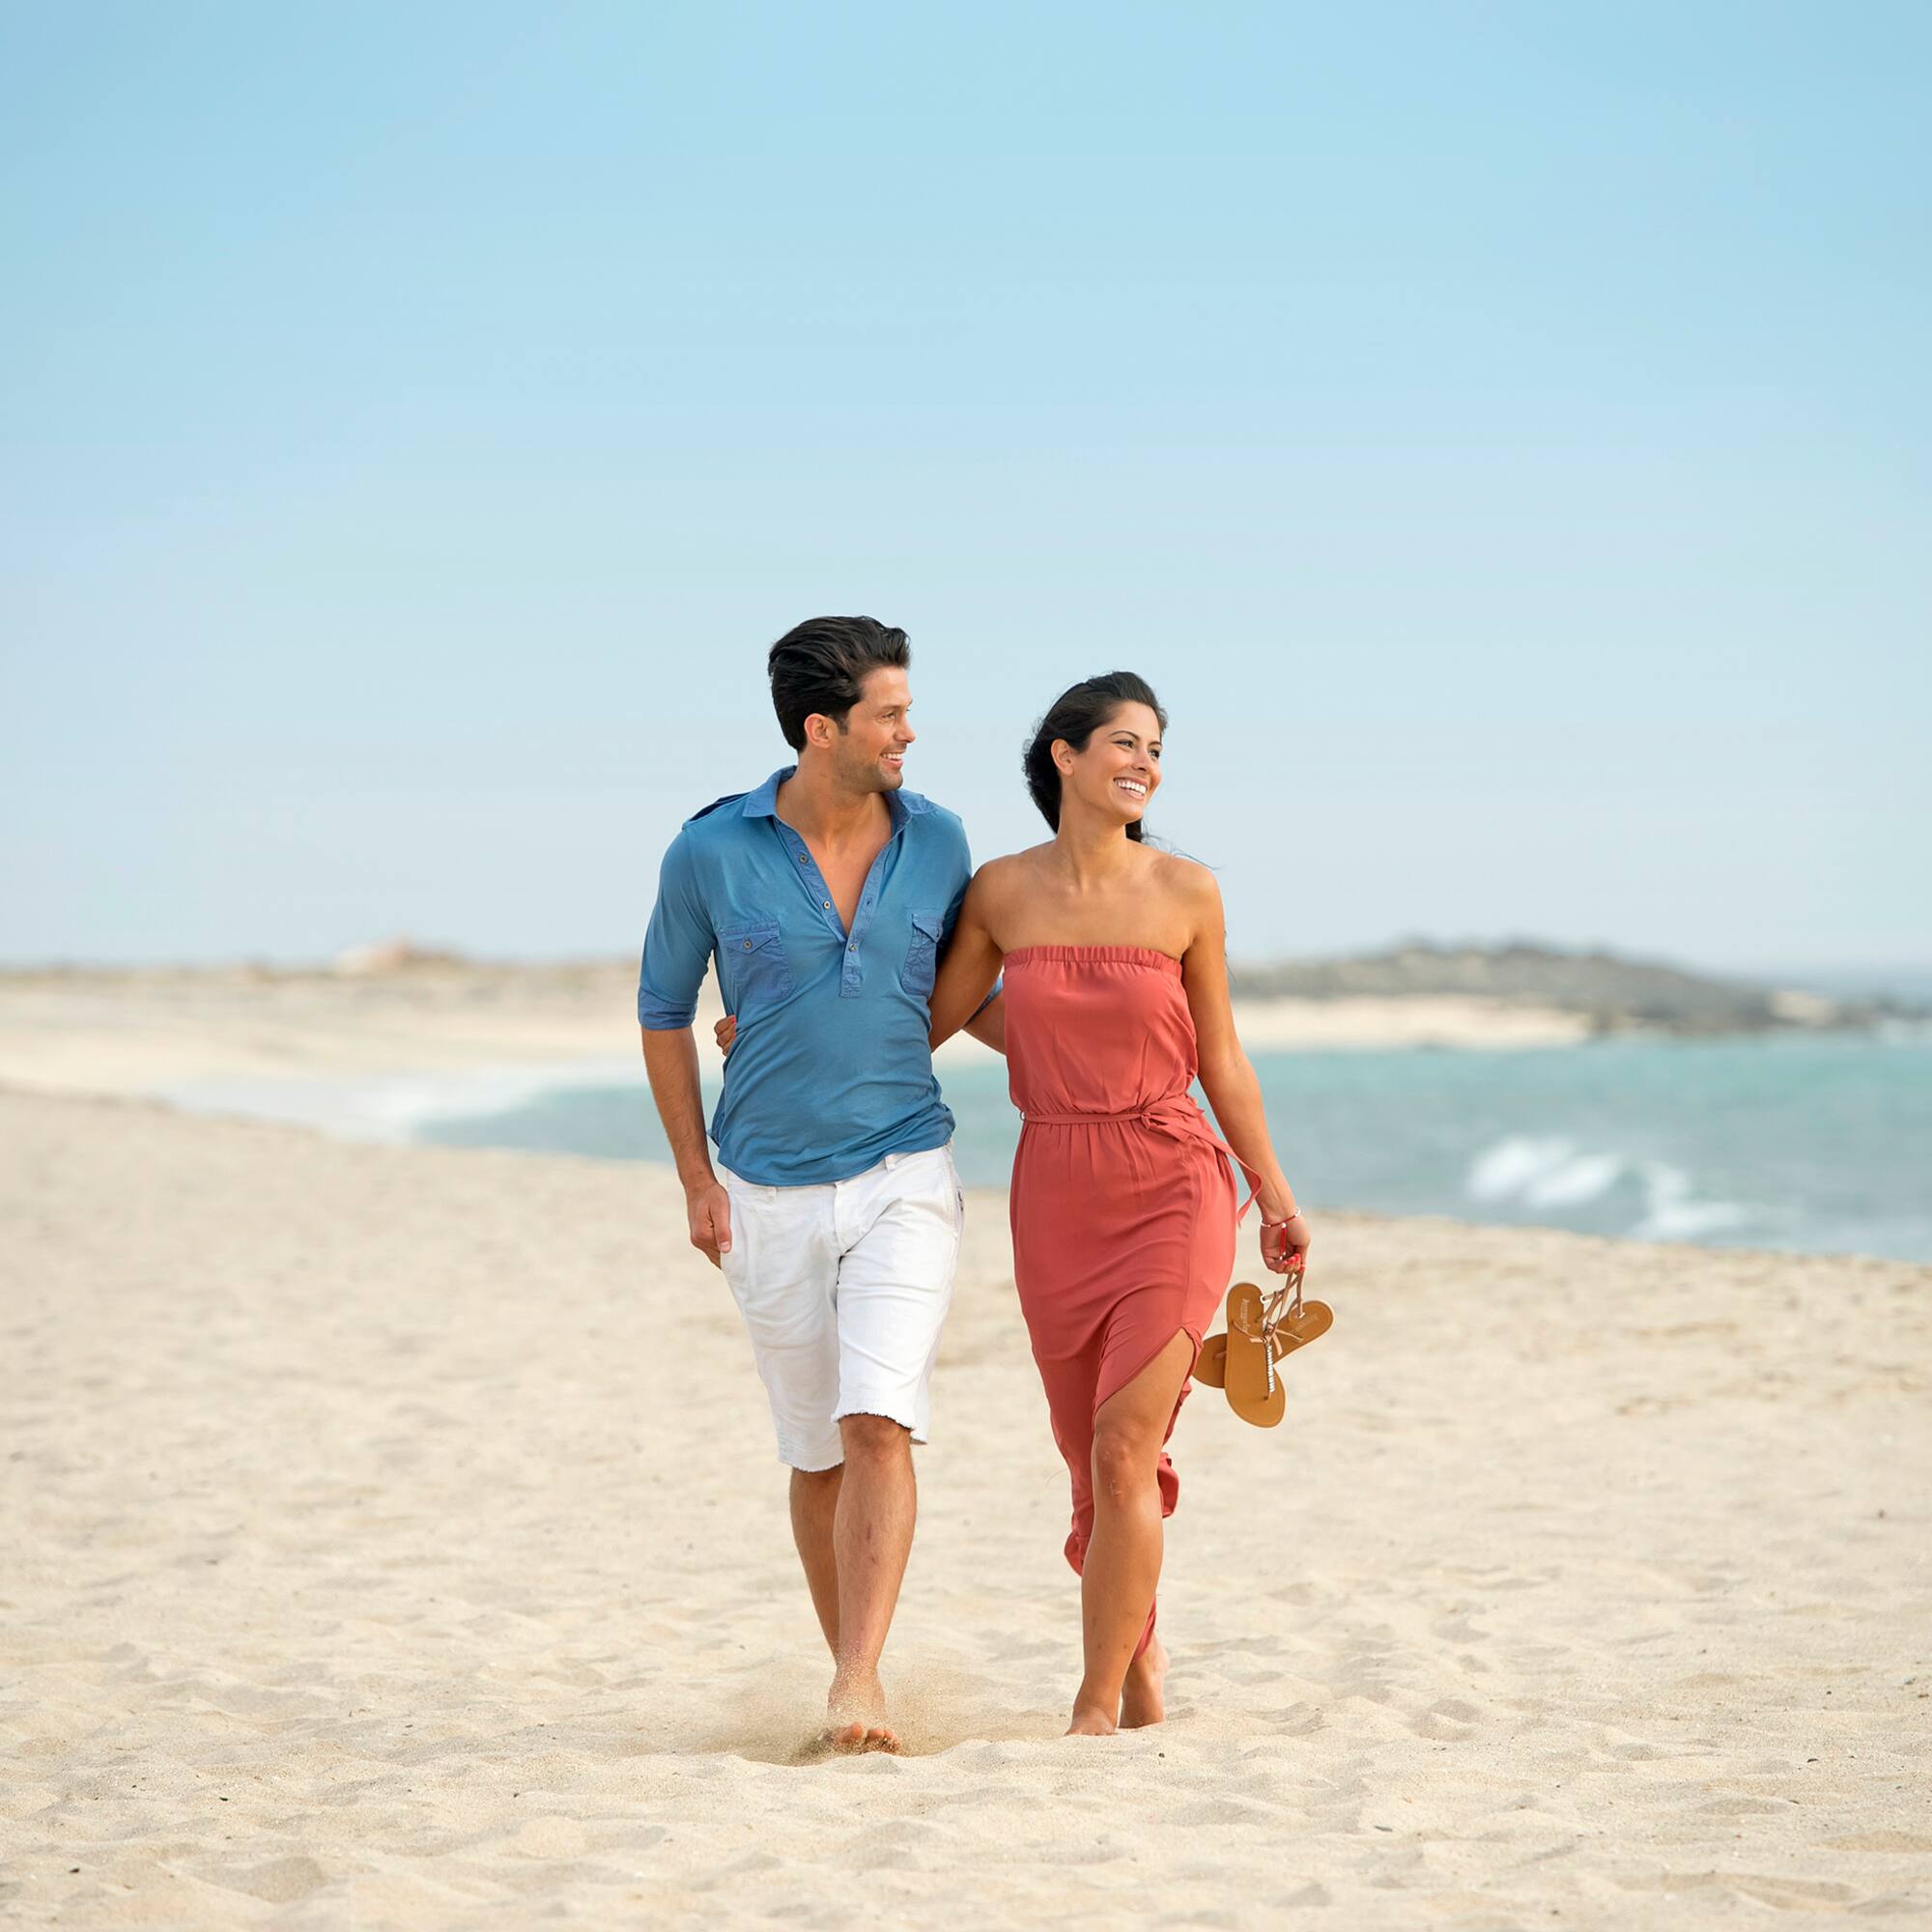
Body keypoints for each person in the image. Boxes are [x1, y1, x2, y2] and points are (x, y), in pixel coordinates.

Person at [637, 616, 1003, 1754]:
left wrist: (1097, 1058)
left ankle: (857, 1684)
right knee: (815, 1453)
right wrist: (696, 1176)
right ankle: (853, 1668)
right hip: (762, 1191)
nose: (908, 731)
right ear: (820, 728)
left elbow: (962, 995)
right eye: (888, 714)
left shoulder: (939, 840)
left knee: (876, 1415)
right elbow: (660, 1011)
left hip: (903, 1163)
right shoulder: (708, 850)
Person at [923, 671, 1310, 1738]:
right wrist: (769, 1035)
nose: (1143, 763)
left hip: (1172, 1177)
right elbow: (934, 1019)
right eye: (1124, 744)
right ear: (1063, 755)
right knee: (1085, 1455)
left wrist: (1272, 1192)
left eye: (1154, 750)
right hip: (1053, 1188)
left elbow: (1221, 1060)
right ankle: (1138, 1668)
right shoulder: (1001, 892)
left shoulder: (1186, 891)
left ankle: (1093, 1704)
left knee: (1121, 1441)